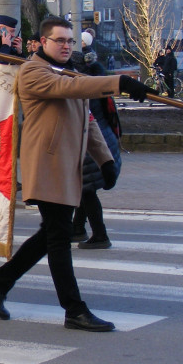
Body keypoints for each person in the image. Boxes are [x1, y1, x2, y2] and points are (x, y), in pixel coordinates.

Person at [0, 16, 151, 332]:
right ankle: (74, 309)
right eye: (60, 41)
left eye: (70, 41)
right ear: (43, 42)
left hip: (66, 168)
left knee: (51, 234)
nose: (66, 46)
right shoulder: (33, 72)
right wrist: (119, 83)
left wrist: (106, 160)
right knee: (59, 238)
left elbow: (88, 120)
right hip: (47, 168)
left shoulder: (68, 72)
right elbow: (68, 89)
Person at [70, 36, 122, 249]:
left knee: (86, 191)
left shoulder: (82, 90)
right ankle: (78, 228)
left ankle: (100, 234)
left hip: (92, 144)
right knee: (85, 188)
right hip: (103, 140)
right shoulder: (94, 82)